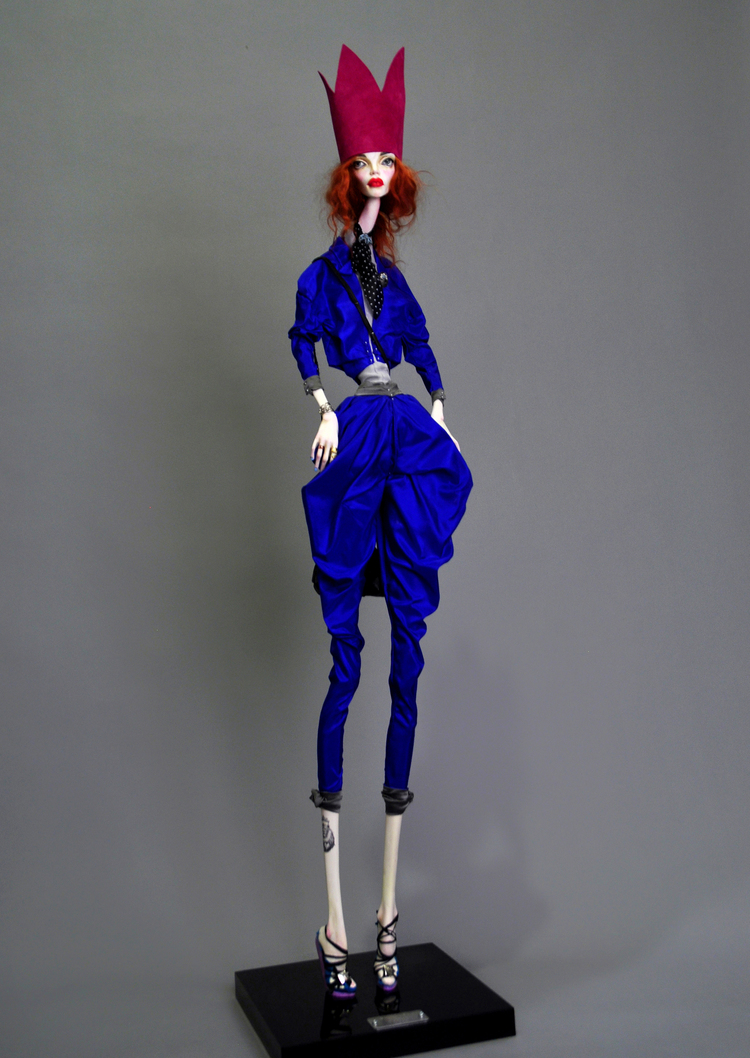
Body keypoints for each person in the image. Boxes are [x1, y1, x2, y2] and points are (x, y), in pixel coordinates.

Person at [289, 46, 473, 999]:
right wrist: (322, 405)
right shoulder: (324, 275)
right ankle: (333, 919)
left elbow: (423, 345)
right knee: (347, 660)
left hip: (404, 432)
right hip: (357, 433)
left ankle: (387, 918)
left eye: (383, 161)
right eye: (361, 160)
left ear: (393, 174)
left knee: (407, 650)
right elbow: (300, 339)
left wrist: (439, 404)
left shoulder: (393, 283)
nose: (373, 171)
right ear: (346, 173)